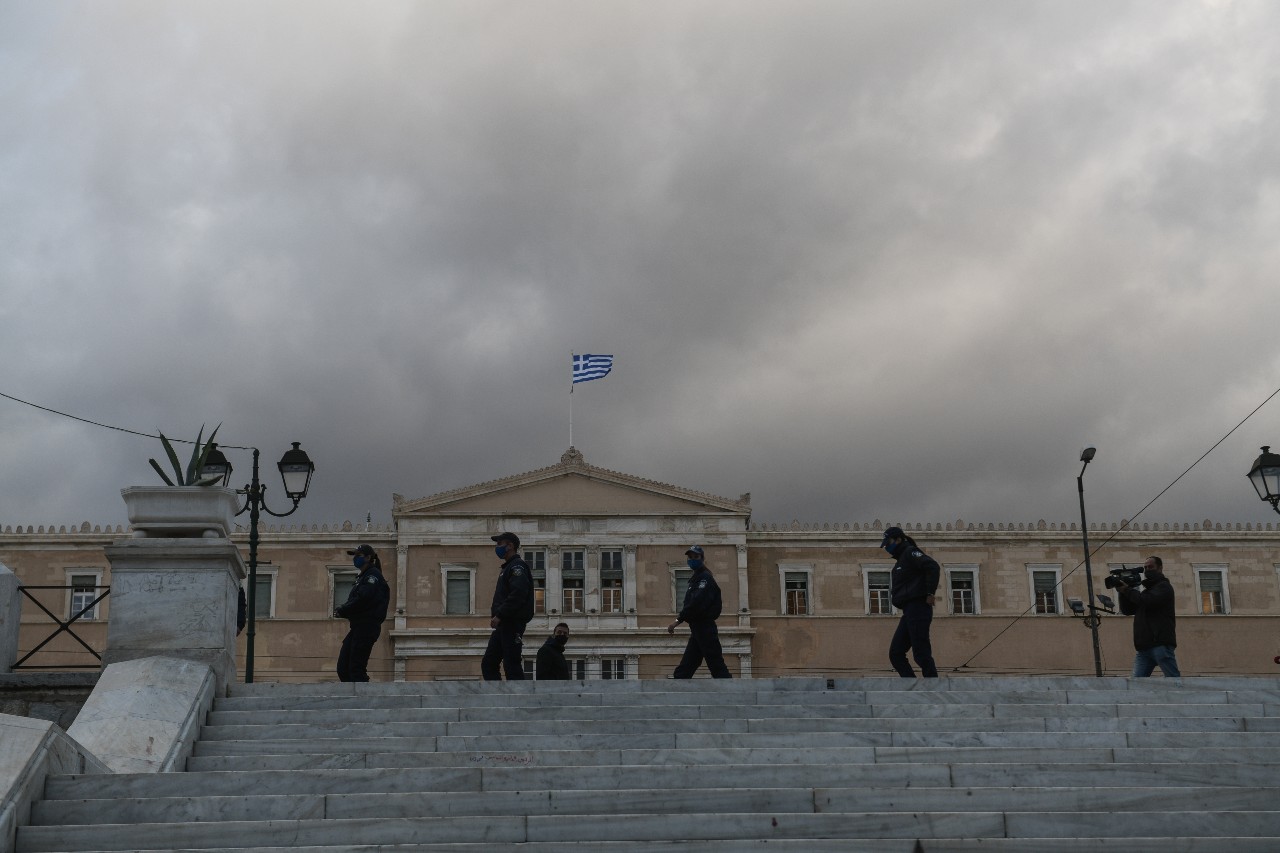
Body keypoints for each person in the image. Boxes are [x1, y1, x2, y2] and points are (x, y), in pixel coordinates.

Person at [883, 526, 940, 678]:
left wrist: (930, 593)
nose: (887, 547)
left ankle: (932, 686)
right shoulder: (901, 560)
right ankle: (912, 687)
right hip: (908, 610)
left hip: (918, 606)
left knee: (921, 652)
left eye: (889, 543)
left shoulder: (910, 552)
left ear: (898, 539)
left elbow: (933, 566)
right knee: (896, 653)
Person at [667, 545, 732, 678]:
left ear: (702, 558)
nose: (692, 560)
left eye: (695, 557)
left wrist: (677, 622)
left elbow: (695, 604)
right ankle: (676, 689)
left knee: (716, 665)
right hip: (697, 629)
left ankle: (734, 695)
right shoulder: (696, 579)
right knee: (686, 667)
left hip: (705, 628)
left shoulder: (704, 579)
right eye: (690, 557)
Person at [333, 543, 390, 682]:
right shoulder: (362, 577)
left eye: (358, 556)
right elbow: (356, 600)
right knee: (343, 668)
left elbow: (363, 598)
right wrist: (344, 611)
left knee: (356, 668)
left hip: (367, 626)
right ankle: (350, 699)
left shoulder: (373, 576)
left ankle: (363, 700)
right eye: (354, 556)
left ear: (368, 557)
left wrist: (343, 609)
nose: (355, 559)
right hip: (358, 626)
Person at [482, 531, 534, 681]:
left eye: (499, 544)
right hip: (503, 625)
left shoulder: (517, 566)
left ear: (510, 546)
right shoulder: (507, 568)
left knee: (511, 663)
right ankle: (497, 697)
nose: (497, 548)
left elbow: (518, 594)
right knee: (489, 663)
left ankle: (518, 700)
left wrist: (500, 615)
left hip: (511, 622)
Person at [1116, 555, 1180, 677]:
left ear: (1160, 568)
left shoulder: (1164, 587)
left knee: (1173, 680)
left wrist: (1127, 590)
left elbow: (1147, 601)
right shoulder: (1146, 592)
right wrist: (1122, 592)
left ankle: (1183, 696)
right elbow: (1127, 610)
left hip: (1160, 644)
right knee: (1136, 685)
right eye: (1145, 568)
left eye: (1151, 567)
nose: (1147, 570)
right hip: (1144, 647)